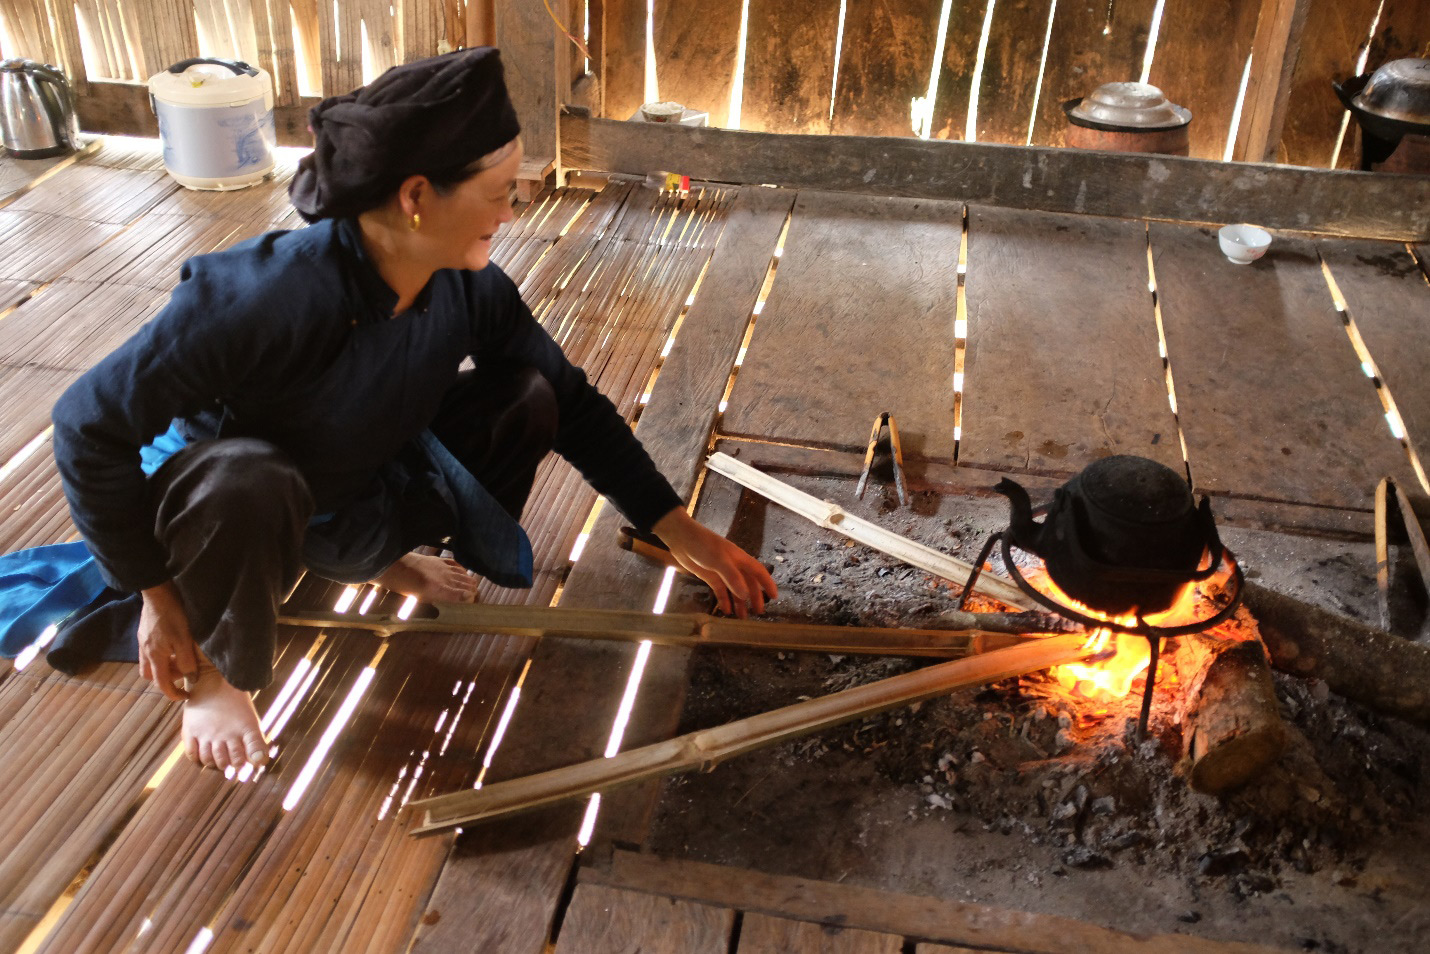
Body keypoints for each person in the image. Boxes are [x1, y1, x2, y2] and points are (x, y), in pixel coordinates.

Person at [44, 47, 776, 775]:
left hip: (351, 490)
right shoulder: (262, 297)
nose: (513, 207)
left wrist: (677, 529)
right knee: (249, 476)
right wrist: (157, 597)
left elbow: (576, 406)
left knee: (528, 394)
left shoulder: (465, 285)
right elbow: (85, 423)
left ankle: (380, 562)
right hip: (236, 514)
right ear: (417, 195)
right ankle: (210, 671)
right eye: (496, 190)